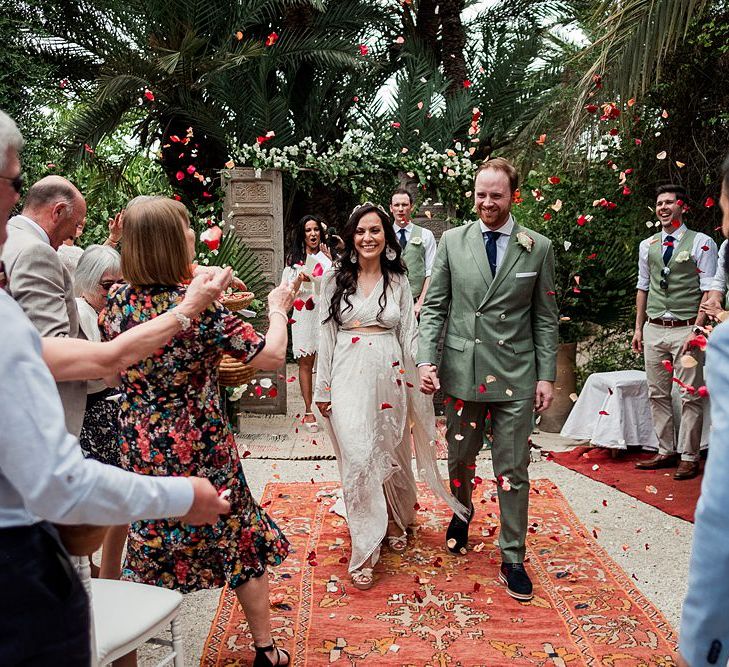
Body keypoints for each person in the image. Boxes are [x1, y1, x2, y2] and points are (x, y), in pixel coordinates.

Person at [0, 108, 230, 666]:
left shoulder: (115, 298)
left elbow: (103, 353)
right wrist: (184, 495)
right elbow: (60, 484)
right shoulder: (27, 261)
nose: (11, 206)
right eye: (10, 182)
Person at [100, 196, 299, 667]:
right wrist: (277, 308)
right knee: (237, 535)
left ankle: (118, 644)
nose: (193, 233)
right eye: (186, 227)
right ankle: (266, 650)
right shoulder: (200, 311)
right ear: (172, 241)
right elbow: (269, 358)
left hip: (143, 442)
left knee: (148, 536)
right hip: (200, 443)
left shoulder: (117, 301)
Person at [417, 157, 558, 602]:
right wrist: (425, 361)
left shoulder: (536, 246)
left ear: (513, 196)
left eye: (496, 195)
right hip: (463, 372)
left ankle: (512, 555)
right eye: (481, 194)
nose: (487, 203)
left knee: (513, 468)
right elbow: (435, 307)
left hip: (517, 374)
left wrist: (547, 376)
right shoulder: (454, 243)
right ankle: (461, 511)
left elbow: (545, 318)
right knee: (459, 458)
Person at [314, 203, 467, 591]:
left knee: (392, 449)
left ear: (387, 238)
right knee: (360, 456)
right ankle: (365, 547)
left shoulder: (398, 281)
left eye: (376, 231)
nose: (368, 238)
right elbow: (325, 336)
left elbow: (410, 334)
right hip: (348, 375)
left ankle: (396, 518)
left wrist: (424, 370)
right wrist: (323, 387)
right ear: (351, 236)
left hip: (390, 376)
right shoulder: (334, 280)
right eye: (361, 231)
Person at [677, 155, 729, 667]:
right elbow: (713, 294)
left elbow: (721, 516)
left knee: (693, 403)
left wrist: (701, 648)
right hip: (677, 326)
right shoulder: (652, 247)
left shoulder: (710, 244)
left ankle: (689, 456)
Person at [632, 184, 718, 481]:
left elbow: (710, 289)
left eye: (670, 202)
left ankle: (689, 455)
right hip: (655, 328)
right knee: (657, 393)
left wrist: (698, 328)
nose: (663, 207)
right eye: (659, 203)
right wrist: (638, 328)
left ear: (683, 207)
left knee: (690, 394)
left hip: (686, 329)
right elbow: (643, 286)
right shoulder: (648, 245)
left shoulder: (702, 243)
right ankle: (665, 450)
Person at [2, 175, 89, 437]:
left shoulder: (7, 239)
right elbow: (51, 344)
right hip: (37, 419)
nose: (75, 233)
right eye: (76, 224)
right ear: (58, 211)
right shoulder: (36, 252)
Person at [73, 244, 130, 580]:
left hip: (109, 412)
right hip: (92, 414)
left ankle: (108, 570)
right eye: (108, 285)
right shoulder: (80, 312)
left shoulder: (107, 311)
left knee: (118, 499)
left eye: (119, 284)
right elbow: (99, 367)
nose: (115, 291)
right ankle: (98, 570)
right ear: (88, 282)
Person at [282, 215, 333, 431]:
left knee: (330, 363)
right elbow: (286, 297)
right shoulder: (293, 264)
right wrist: (297, 280)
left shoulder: (328, 259)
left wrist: (332, 265)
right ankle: (308, 410)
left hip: (325, 316)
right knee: (306, 363)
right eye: (308, 230)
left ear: (320, 233)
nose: (313, 234)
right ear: (302, 235)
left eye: (315, 230)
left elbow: (339, 288)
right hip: (303, 318)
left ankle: (330, 405)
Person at [390, 188, 437, 318]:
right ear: (391, 208)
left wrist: (421, 303)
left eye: (404, 205)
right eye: (396, 205)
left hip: (417, 303)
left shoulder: (426, 235)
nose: (400, 209)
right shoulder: (384, 236)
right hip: (390, 302)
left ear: (411, 207)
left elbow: (431, 271)